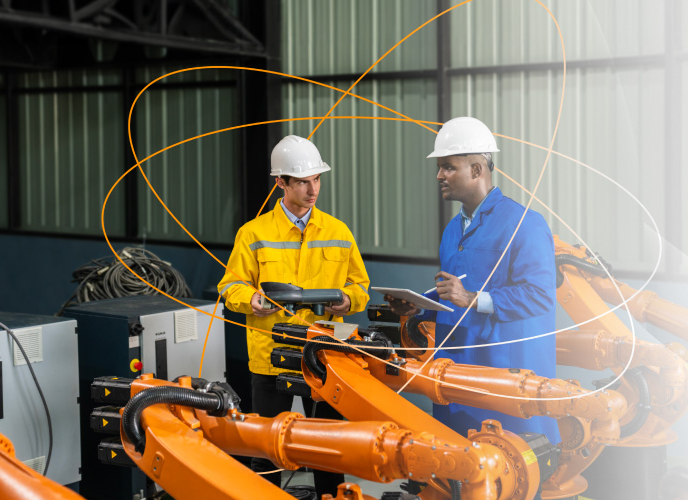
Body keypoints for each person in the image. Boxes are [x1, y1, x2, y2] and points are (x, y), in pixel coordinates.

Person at [386, 117, 560, 445]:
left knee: (512, 478)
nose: (439, 175)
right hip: (455, 375)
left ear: (477, 170)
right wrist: (416, 307)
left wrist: (473, 298)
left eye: (448, 167)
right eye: (440, 168)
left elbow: (539, 295)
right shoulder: (453, 229)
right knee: (458, 474)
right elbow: (456, 291)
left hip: (504, 381)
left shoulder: (525, 223)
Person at [216, 135, 370, 494]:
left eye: (316, 179)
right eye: (302, 181)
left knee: (328, 450)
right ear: (280, 183)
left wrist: (346, 301)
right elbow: (229, 286)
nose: (312, 189)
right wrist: (252, 300)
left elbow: (360, 287)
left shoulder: (338, 232)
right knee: (266, 450)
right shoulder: (253, 234)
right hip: (271, 358)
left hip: (325, 357)